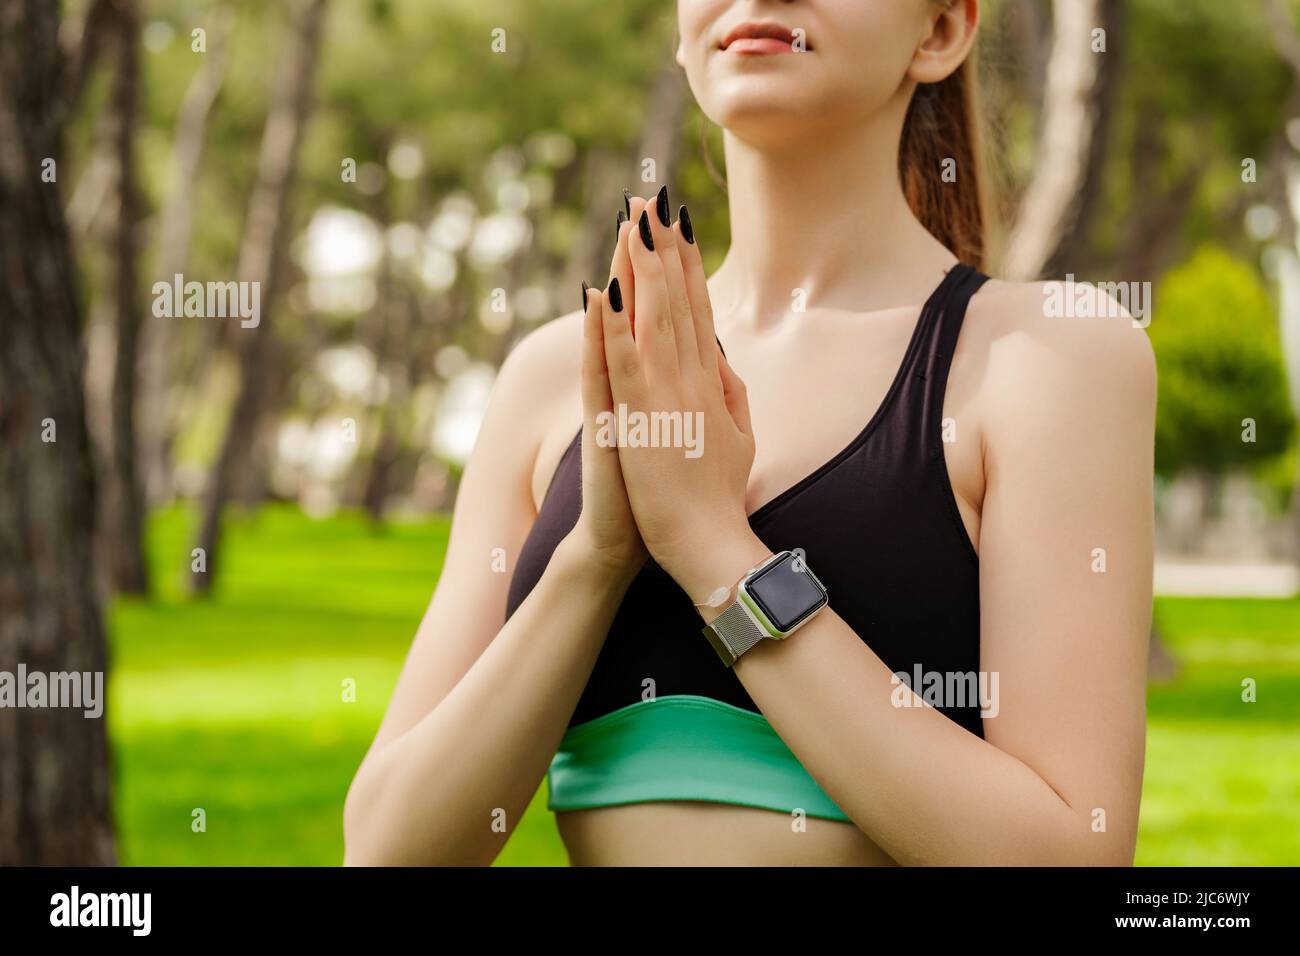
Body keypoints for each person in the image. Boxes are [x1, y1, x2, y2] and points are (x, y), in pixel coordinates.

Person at [343, 0, 1155, 866]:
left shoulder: (1046, 356)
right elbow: (391, 850)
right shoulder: (554, 377)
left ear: (943, 30)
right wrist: (598, 556)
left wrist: (716, 553)